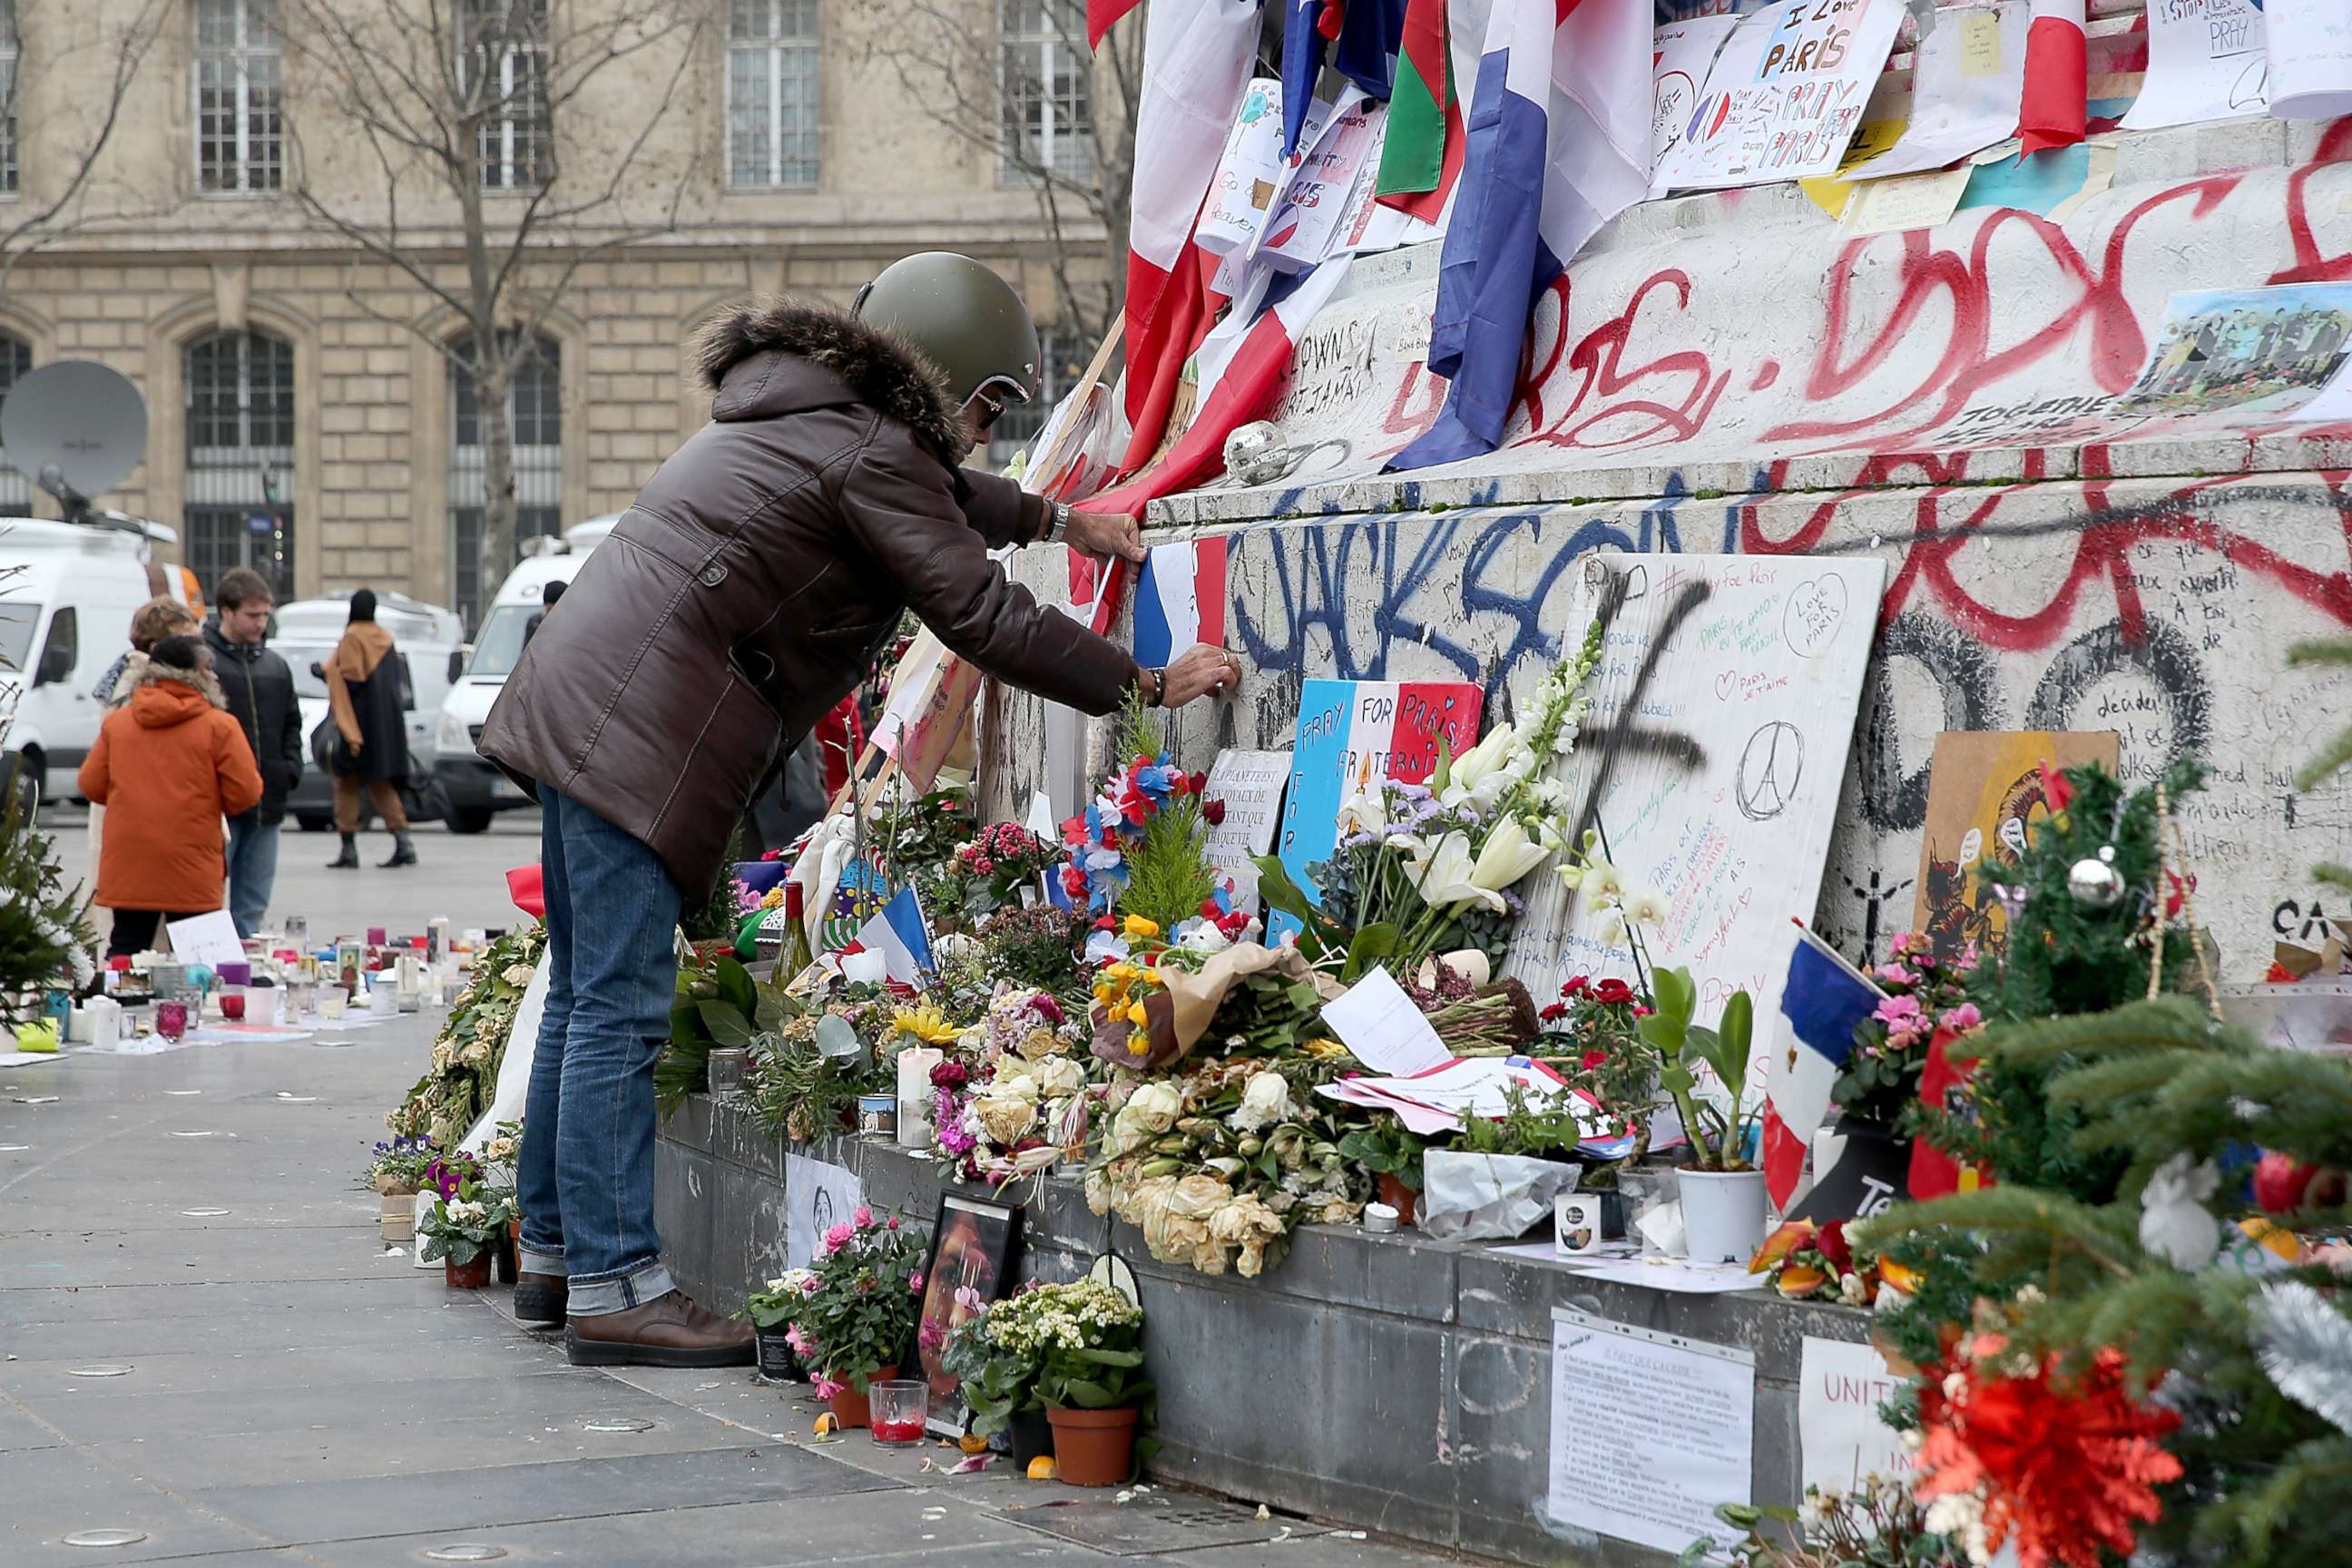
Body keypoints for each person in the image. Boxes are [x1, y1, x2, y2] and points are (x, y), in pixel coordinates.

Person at [479, 252, 1240, 1367]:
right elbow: (979, 612)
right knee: (618, 1011)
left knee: (585, 997)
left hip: (591, 704)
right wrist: (1141, 683)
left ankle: (555, 1259)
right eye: (986, 409)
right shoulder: (870, 448)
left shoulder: (812, 413)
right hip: (638, 733)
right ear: (950, 384)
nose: (982, 436)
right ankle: (613, 1286)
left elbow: (947, 500)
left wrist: (1061, 521)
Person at [76, 634, 263, 959]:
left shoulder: (118, 724)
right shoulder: (220, 726)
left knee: (125, 954)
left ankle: (116, 1008)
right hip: (192, 866)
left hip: (130, 864)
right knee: (198, 962)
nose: (214, 675)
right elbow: (246, 792)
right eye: (209, 668)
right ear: (193, 674)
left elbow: (91, 785)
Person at [204, 570, 305, 937]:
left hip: (268, 800)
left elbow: (292, 722)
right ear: (226, 612)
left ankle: (243, 977)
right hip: (221, 806)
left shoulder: (274, 665)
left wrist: (289, 768)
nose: (260, 623)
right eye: (252, 615)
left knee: (252, 906)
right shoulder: (206, 662)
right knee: (210, 903)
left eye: (265, 615)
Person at [322, 588, 417, 869]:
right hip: (384, 726)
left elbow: (352, 677)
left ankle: (349, 849)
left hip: (357, 724)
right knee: (383, 787)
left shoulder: (353, 636)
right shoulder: (385, 637)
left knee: (346, 786)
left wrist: (327, 673)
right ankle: (404, 843)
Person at [523, 578, 565, 645]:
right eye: (548, 608)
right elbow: (527, 651)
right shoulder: (536, 623)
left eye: (554, 608)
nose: (550, 612)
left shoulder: (573, 625)